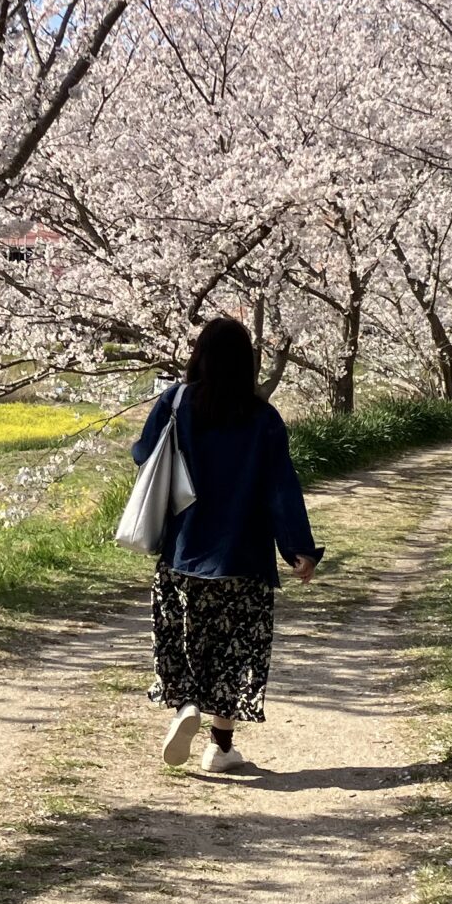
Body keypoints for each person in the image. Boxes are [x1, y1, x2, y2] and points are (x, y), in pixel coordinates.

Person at [131, 316, 322, 774]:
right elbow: (281, 487)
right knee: (234, 651)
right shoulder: (262, 419)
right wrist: (299, 548)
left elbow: (143, 454)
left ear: (199, 355)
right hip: (243, 559)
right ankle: (220, 747)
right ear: (247, 364)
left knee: (185, 639)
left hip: (182, 553)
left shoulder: (175, 402)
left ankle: (187, 707)